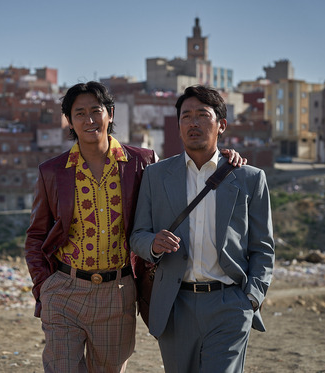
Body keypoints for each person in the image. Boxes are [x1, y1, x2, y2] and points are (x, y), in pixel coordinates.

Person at [24, 81, 244, 372]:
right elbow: (36, 235)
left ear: (111, 114)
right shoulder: (52, 171)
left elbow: (182, 176)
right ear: (70, 121)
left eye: (96, 111)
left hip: (118, 291)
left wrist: (224, 159)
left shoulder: (141, 162)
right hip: (64, 290)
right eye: (79, 113)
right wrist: (44, 287)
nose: (89, 120)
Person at [130, 85, 274, 373]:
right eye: (186, 116)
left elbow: (263, 248)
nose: (193, 123)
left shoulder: (249, 178)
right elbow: (137, 236)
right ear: (179, 125)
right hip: (174, 304)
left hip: (229, 304)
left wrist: (251, 299)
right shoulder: (156, 176)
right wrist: (153, 244)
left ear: (221, 125)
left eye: (202, 115)